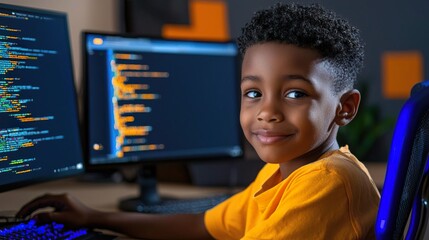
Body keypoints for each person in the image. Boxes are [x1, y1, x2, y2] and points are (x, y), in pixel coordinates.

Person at [17, 2, 380, 239]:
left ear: (344, 107)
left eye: (295, 94)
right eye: (253, 93)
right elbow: (201, 226)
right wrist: (96, 217)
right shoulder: (282, 172)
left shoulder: (327, 182)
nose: (267, 112)